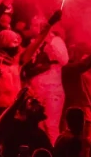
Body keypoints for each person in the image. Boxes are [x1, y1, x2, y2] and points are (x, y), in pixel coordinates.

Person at [25, 11, 69, 142]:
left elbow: (64, 60)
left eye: (38, 25)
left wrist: (49, 41)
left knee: (51, 125)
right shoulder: (32, 43)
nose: (35, 27)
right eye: (33, 25)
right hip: (36, 91)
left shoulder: (56, 40)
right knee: (38, 126)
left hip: (53, 90)